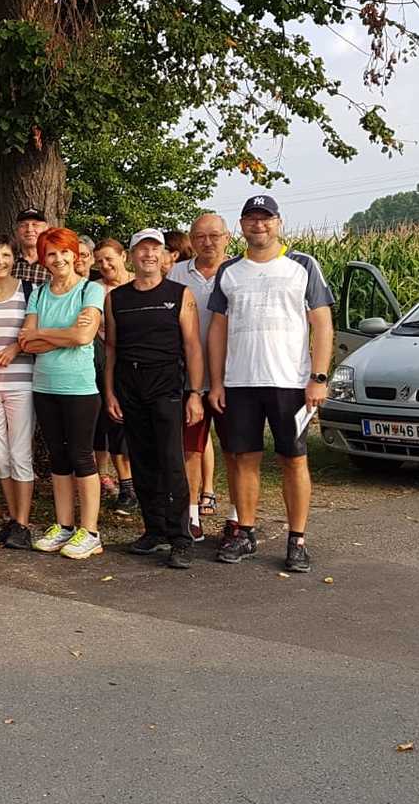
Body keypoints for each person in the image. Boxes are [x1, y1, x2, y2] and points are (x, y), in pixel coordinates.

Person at [208, 195, 334, 572]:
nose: (258, 225)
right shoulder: (229, 271)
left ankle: (297, 540)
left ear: (278, 222)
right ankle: (245, 532)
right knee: (243, 459)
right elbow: (218, 330)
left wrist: (319, 377)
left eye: (266, 218)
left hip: (290, 383)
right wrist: (217, 382)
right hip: (240, 382)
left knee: (293, 460)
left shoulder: (302, 265)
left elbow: (322, 324)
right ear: (242, 225)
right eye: (251, 218)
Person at [103, 229, 206, 569]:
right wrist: (111, 392)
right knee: (142, 459)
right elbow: (111, 348)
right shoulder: (116, 298)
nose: (148, 254)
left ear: (163, 256)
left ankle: (180, 537)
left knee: (171, 461)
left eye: (154, 249)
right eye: (142, 249)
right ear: (131, 255)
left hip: (166, 384)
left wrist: (195, 393)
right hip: (129, 384)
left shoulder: (179, 294)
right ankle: (154, 529)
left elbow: (192, 346)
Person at [18, 227, 105, 559]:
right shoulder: (39, 294)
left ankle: (90, 531)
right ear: (44, 259)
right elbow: (25, 342)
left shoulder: (90, 290)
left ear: (74, 254)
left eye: (64, 252)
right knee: (58, 457)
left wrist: (42, 333)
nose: (58, 259)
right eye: (51, 254)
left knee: (82, 456)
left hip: (79, 387)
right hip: (44, 386)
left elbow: (83, 337)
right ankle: (64, 525)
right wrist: (62, 334)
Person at [169, 212, 230, 540]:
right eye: (200, 236)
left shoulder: (238, 271)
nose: (208, 242)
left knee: (236, 450)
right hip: (190, 378)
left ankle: (237, 517)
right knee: (190, 449)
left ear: (227, 238)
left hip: (231, 377)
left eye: (214, 236)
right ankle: (191, 515)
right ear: (191, 240)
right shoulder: (177, 273)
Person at [0, 235, 37, 550]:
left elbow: (36, 332)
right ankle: (14, 519)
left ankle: (23, 524)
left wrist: (17, 347)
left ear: (14, 258)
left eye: (5, 255)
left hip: (21, 384)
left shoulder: (29, 291)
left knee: (20, 455)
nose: (0, 262)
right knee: (0, 457)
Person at [92, 238, 137, 512]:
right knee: (115, 423)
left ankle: (147, 483)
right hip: (107, 363)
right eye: (100, 261)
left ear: (124, 256)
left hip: (141, 363)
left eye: (110, 258)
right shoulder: (94, 289)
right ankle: (126, 487)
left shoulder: (139, 282)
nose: (105, 265)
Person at [12, 207, 50, 285]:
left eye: (35, 225)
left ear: (46, 229)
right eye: (23, 225)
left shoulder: (55, 262)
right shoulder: (7, 263)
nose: (29, 229)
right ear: (16, 231)